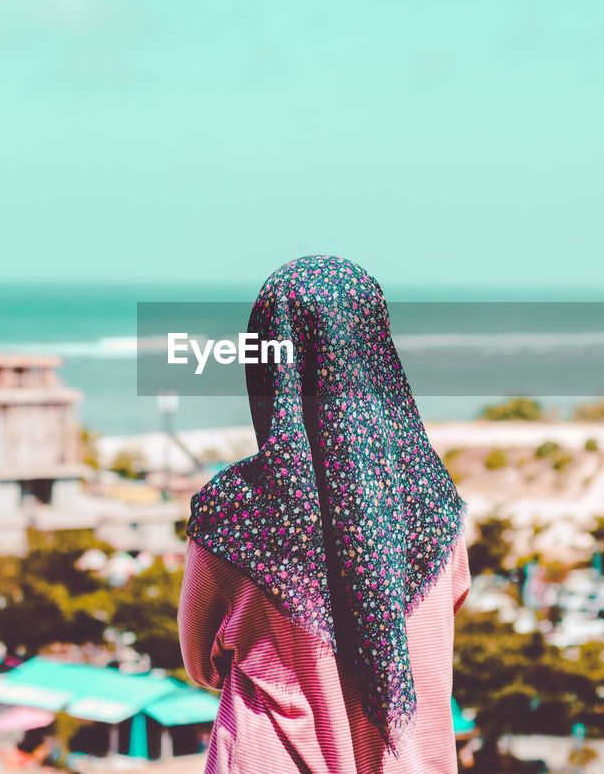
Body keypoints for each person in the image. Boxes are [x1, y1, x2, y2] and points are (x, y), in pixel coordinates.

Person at [178, 255, 470, 773]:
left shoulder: (232, 510)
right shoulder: (435, 503)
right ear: (376, 350)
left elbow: (201, 662)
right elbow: (438, 623)